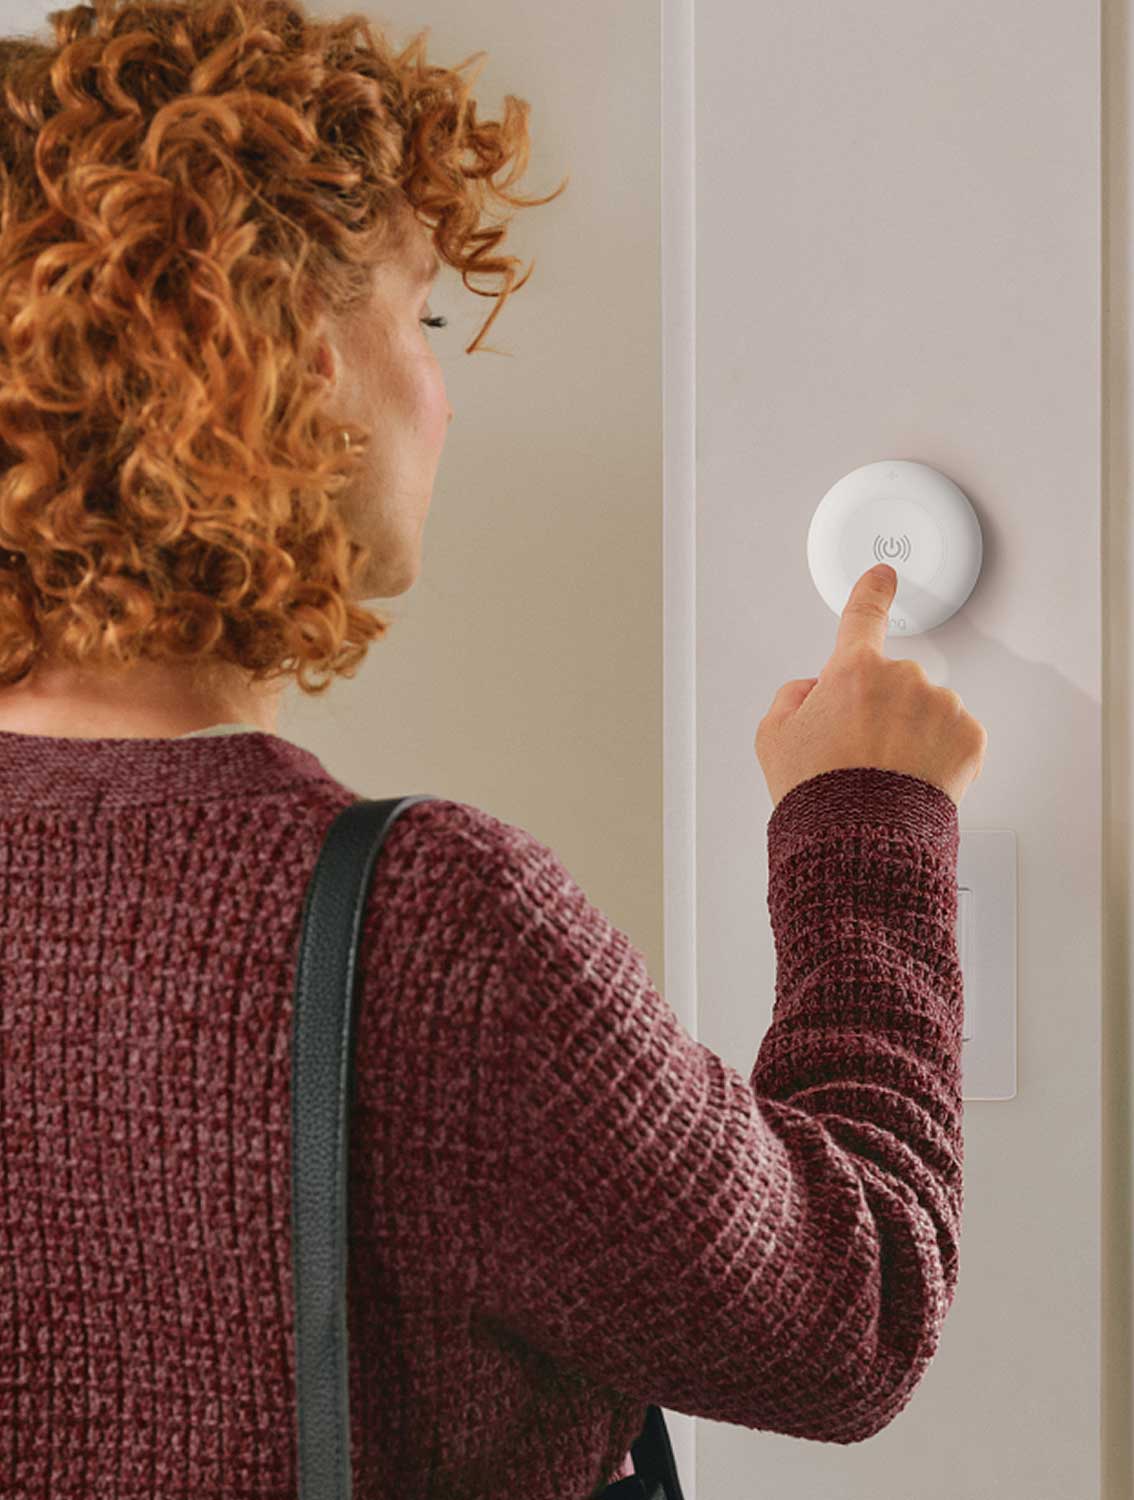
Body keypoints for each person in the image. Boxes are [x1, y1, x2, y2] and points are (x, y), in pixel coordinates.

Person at [0, 3, 982, 1497]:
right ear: (277, 368)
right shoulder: (431, 930)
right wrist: (868, 824)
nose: (444, 392)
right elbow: (852, 1322)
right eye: (420, 319)